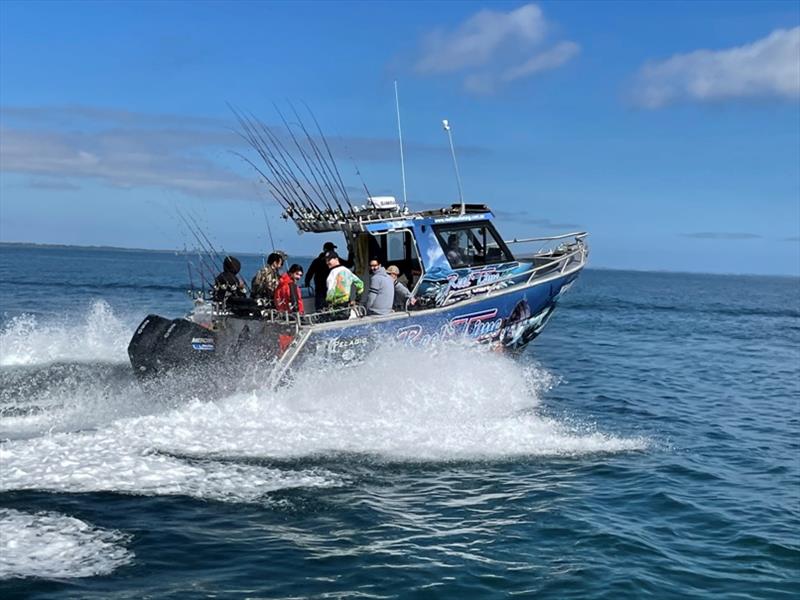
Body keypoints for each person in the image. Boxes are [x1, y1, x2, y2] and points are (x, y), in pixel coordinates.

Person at [305, 241, 338, 309]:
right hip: (330, 285)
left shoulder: (317, 261)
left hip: (320, 285)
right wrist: (351, 254)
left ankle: (320, 314)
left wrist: (307, 282)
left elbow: (309, 273)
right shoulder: (335, 260)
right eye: (332, 249)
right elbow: (348, 264)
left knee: (320, 303)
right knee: (330, 303)